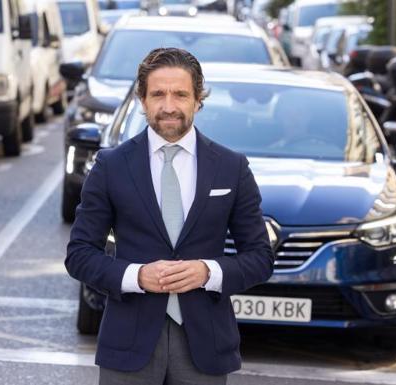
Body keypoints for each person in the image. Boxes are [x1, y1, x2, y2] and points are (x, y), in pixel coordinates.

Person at [65, 47, 274, 385]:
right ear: (142, 99)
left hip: (205, 347)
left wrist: (208, 271)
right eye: (158, 94)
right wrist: (137, 276)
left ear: (198, 99)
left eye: (180, 94)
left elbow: (260, 258)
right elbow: (79, 256)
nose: (169, 107)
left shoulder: (231, 167)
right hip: (127, 346)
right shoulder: (111, 166)